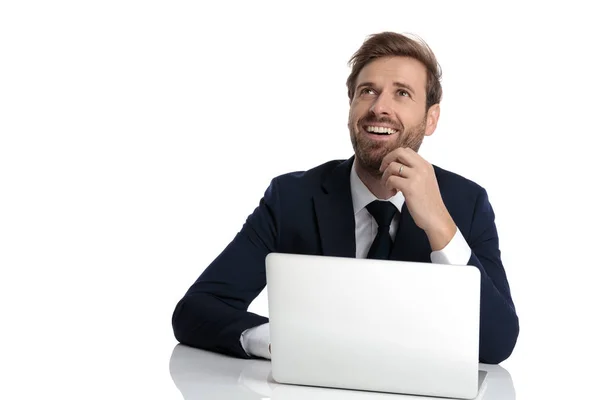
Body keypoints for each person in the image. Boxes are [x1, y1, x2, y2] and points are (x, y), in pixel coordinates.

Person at [172, 31, 519, 364]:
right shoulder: (291, 198)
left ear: (431, 119)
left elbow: (497, 343)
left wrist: (441, 226)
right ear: (351, 105)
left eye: (402, 94)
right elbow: (197, 309)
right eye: (368, 91)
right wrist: (282, 342)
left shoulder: (466, 204)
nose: (380, 108)